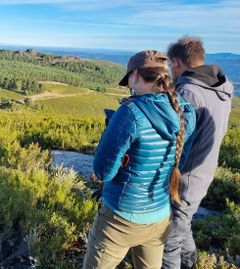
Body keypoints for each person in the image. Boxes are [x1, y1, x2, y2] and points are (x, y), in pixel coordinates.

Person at [82, 50, 196, 269]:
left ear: (134, 75)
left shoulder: (130, 113)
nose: (129, 87)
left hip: (120, 219)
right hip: (160, 216)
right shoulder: (186, 111)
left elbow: (103, 172)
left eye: (129, 81)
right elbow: (180, 162)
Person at [162, 36, 233, 269]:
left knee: (169, 243)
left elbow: (176, 140)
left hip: (184, 178)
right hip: (204, 173)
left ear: (176, 62)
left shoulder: (188, 92)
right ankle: (191, 264)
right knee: (184, 224)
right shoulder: (222, 88)